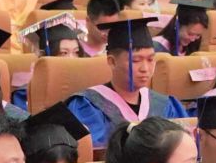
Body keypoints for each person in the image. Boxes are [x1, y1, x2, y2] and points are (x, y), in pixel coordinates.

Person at [66, 16, 186, 148]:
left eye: (150, 60)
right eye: (135, 61)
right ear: (112, 62)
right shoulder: (88, 105)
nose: (145, 69)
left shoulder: (165, 105)